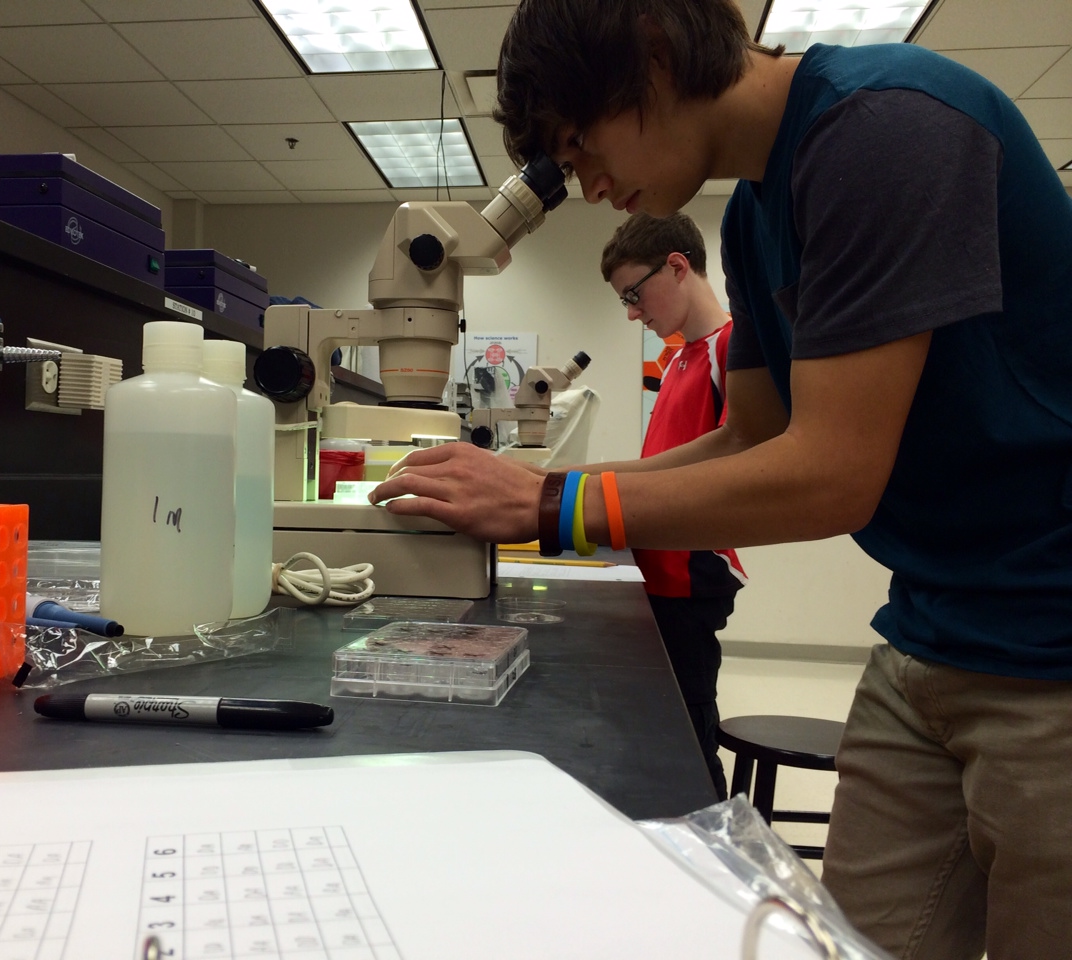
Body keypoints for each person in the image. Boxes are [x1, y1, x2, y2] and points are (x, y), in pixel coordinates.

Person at [369, 2, 1072, 958]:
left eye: (582, 147)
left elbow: (831, 475)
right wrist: (527, 483)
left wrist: (547, 505)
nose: (587, 184)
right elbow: (751, 439)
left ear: (654, 53)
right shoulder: (751, 214)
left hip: (1054, 645)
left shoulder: (887, 125)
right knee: (852, 944)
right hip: (933, 629)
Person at [599, 212, 745, 800]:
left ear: (678, 266)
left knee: (685, 736)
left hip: (690, 572)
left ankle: (717, 859)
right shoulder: (678, 358)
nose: (633, 312)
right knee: (653, 728)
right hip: (655, 567)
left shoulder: (731, 347)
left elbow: (729, 467)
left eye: (634, 294)